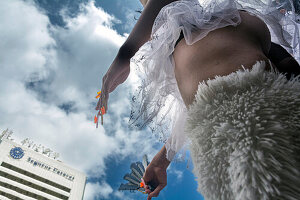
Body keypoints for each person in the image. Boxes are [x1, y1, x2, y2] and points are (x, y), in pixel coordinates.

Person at [96, 0, 300, 199]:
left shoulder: (174, 24)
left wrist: (124, 55)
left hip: (230, 83)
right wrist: (162, 160)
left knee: (263, 176)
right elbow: (197, 102)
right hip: (239, 64)